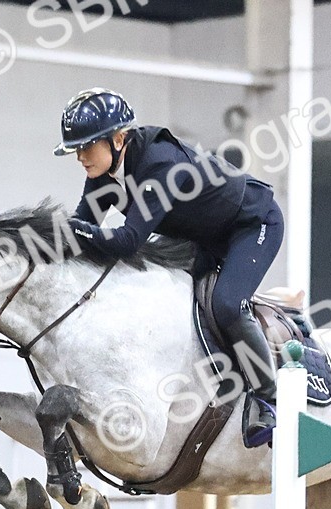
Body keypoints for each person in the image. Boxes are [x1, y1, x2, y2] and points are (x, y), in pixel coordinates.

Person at [56, 88, 284, 447]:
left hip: (251, 223)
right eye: (76, 150)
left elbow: (127, 240)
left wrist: (71, 231)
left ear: (119, 139)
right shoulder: (102, 174)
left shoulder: (160, 163)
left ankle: (270, 399)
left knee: (227, 304)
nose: (80, 157)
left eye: (87, 146)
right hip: (202, 237)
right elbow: (80, 233)